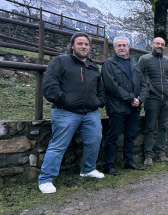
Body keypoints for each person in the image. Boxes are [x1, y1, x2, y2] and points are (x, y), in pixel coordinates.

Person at [39, 32, 105, 194]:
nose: (84, 47)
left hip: (90, 113)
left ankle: (88, 169)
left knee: (94, 140)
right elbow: (49, 83)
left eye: (86, 44)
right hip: (65, 112)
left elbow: (101, 88)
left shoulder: (93, 66)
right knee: (58, 145)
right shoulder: (60, 61)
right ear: (72, 46)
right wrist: (64, 100)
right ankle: (46, 179)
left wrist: (99, 102)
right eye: (80, 44)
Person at [101, 37, 148, 176]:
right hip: (117, 107)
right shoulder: (109, 64)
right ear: (114, 48)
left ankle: (129, 161)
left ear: (129, 47)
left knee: (130, 136)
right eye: (118, 45)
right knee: (112, 137)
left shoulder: (134, 65)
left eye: (124, 45)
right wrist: (130, 98)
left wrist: (140, 99)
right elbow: (112, 86)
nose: (122, 47)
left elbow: (144, 85)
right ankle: (108, 166)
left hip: (134, 107)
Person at [138, 37, 168, 166]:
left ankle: (161, 153)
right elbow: (139, 77)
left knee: (164, 126)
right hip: (152, 98)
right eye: (157, 43)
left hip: (166, 99)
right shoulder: (145, 59)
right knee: (150, 127)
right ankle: (148, 155)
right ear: (152, 44)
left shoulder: (167, 61)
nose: (160, 46)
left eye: (162, 44)